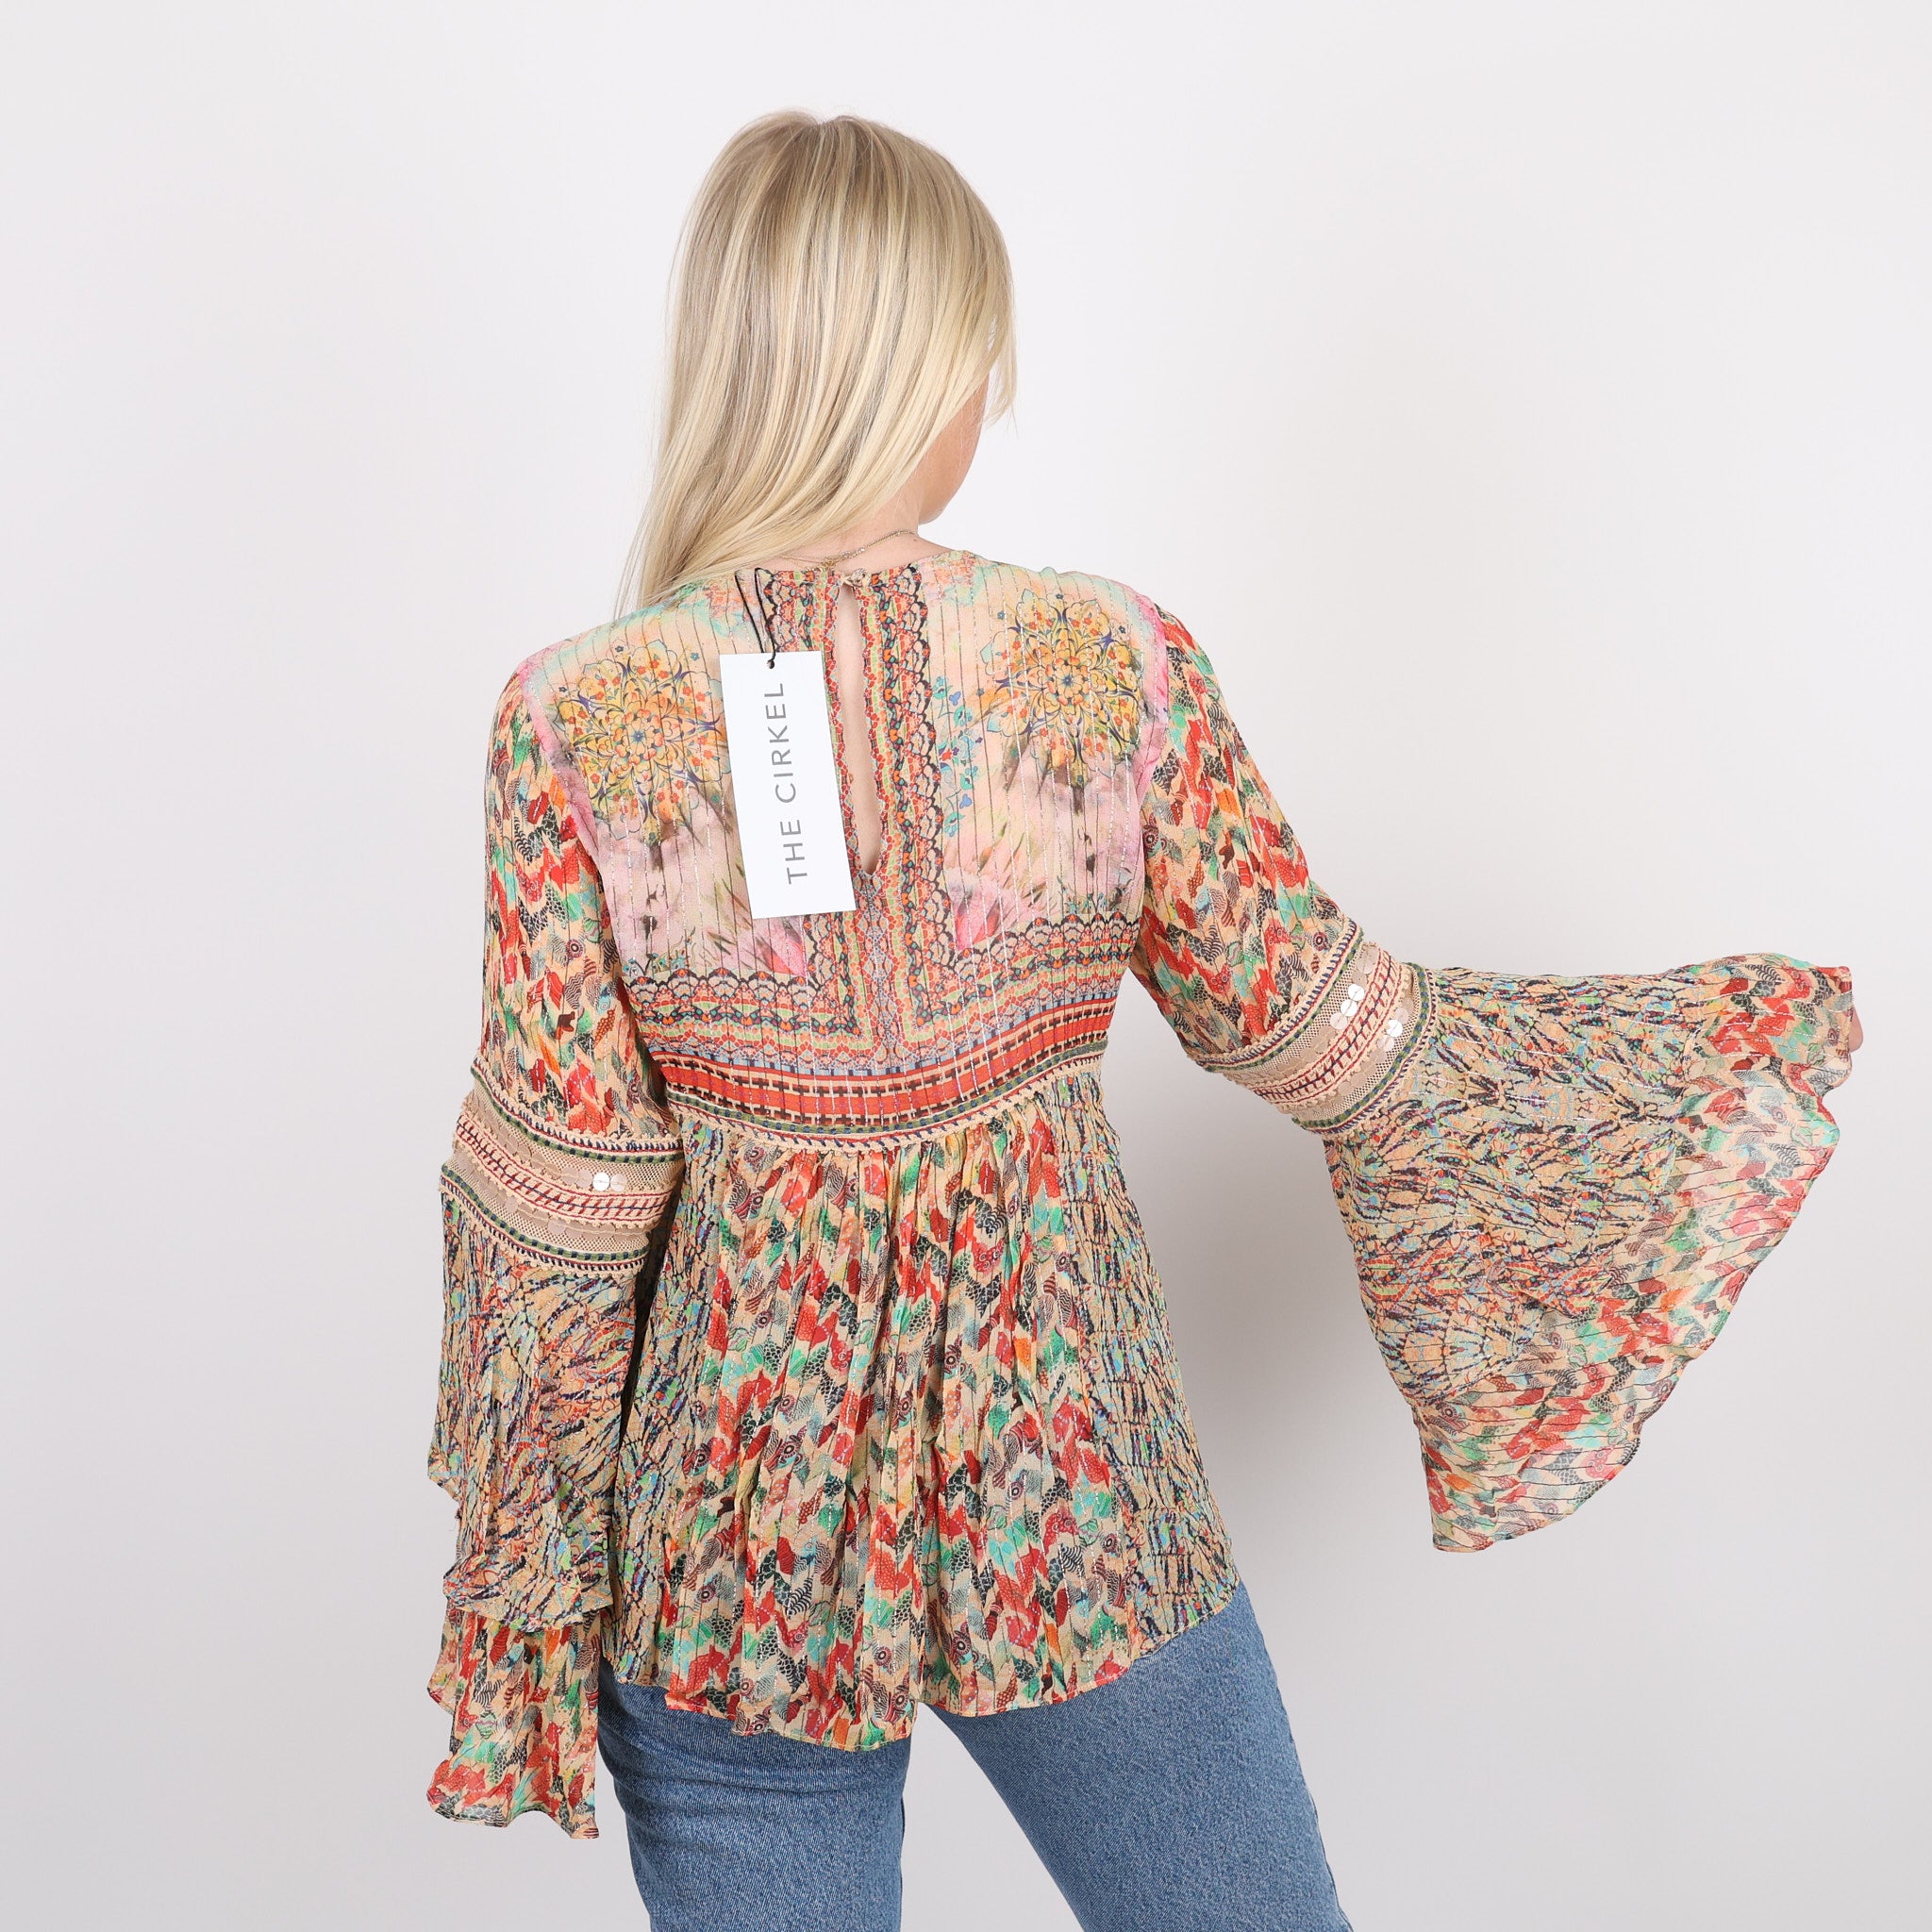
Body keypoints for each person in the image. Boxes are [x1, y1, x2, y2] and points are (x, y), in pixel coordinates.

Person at [421, 112, 1858, 1932]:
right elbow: (1316, 1023)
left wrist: (532, 1572)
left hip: (726, 1523)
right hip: (1071, 1474)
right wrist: (1662, 1087)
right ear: (921, 364)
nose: (992, 395)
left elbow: (563, 1199)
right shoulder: (1111, 665)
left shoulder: (571, 717)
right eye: (980, 354)